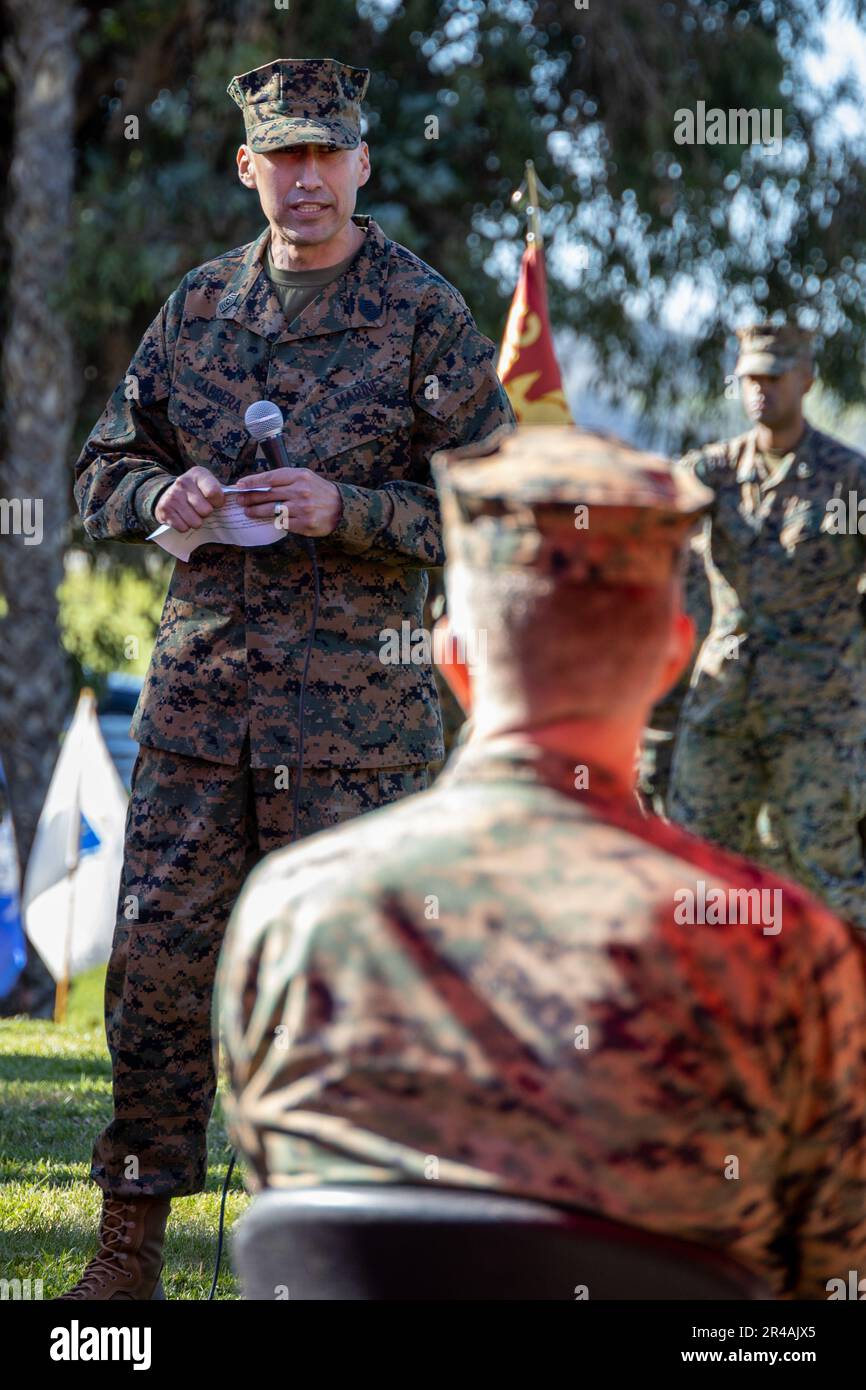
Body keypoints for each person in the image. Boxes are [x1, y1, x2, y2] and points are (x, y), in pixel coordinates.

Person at [217, 423, 866, 1300]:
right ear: (674, 658)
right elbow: (831, 1280)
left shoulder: (290, 910)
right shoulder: (781, 947)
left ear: (450, 655)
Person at [60, 56, 514, 1301]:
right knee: (156, 975)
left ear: (362, 162)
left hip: (355, 732)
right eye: (283, 156)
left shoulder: (421, 312)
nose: (305, 177)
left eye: (328, 153)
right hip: (203, 711)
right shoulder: (198, 309)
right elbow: (102, 470)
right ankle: (129, 1246)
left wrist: (348, 507)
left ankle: (341, 1248)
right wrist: (168, 492)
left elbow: (503, 501)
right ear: (249, 167)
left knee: (350, 987)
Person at [667, 323, 866, 928]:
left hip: (817, 713)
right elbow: (650, 532)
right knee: (697, 872)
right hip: (723, 706)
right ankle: (713, 1011)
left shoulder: (848, 479)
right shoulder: (712, 473)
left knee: (827, 874)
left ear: (805, 380)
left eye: (775, 377)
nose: (761, 390)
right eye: (752, 377)